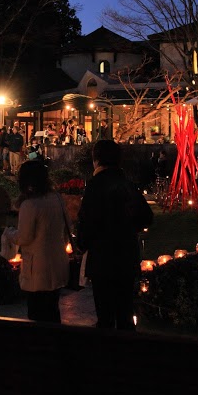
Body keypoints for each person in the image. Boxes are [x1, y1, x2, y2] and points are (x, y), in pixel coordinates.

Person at [76, 140, 153, 330]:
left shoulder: (96, 185)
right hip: (126, 255)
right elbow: (145, 217)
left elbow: (87, 221)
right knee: (125, 312)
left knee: (105, 315)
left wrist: (82, 244)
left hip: (103, 257)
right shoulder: (126, 184)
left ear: (96, 160)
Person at [3, 160, 70, 322]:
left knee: (37, 312)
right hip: (57, 263)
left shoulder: (30, 205)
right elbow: (67, 227)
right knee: (52, 309)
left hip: (37, 268)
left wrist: (9, 233)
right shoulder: (57, 199)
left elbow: (24, 238)